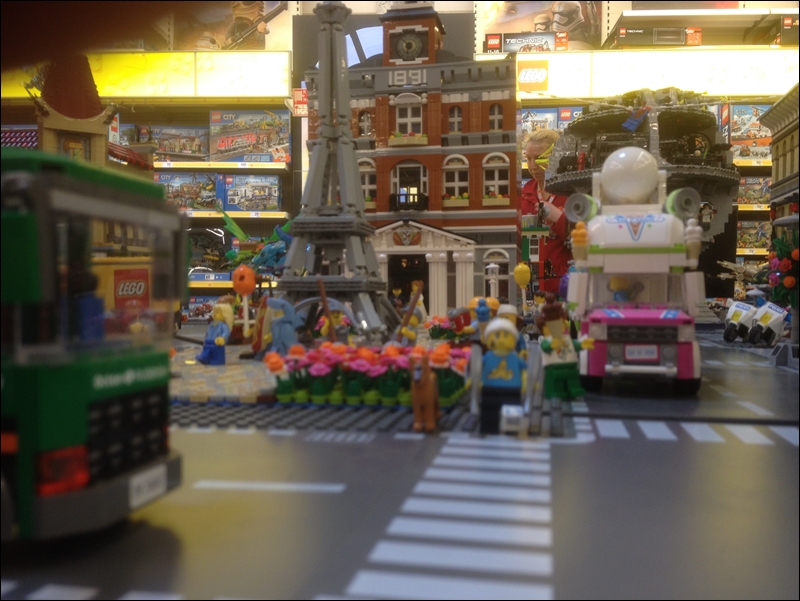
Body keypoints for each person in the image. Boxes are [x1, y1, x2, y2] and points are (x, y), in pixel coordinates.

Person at [521, 129, 572, 296]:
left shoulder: (574, 194)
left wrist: (560, 219)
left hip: (565, 289)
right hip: (529, 290)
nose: (532, 166)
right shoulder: (523, 195)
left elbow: (589, 241)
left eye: (539, 158)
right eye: (529, 158)